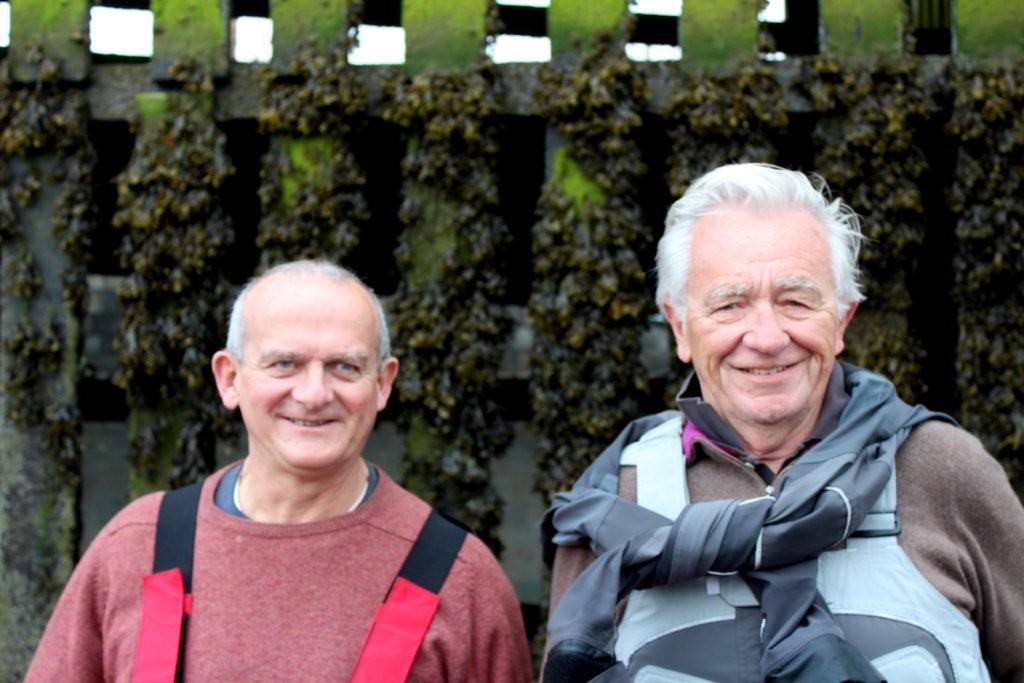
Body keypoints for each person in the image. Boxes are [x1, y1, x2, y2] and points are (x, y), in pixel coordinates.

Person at [541, 164, 1024, 682]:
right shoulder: (615, 503)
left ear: (842, 319)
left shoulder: (944, 470)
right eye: (730, 304)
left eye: (796, 301)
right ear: (680, 326)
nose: (768, 338)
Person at [27, 260, 532, 682]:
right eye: (284, 364)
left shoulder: (459, 580)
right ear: (229, 378)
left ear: (383, 383)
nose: (313, 394)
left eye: (344, 367)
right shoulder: (136, 550)